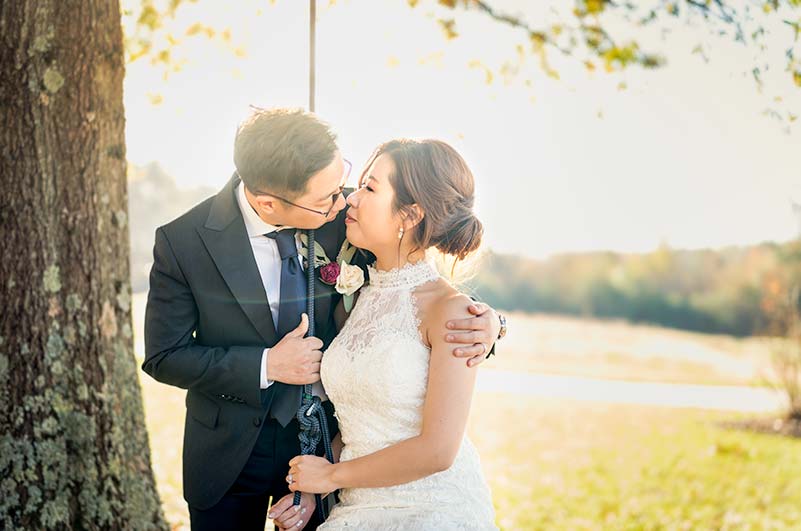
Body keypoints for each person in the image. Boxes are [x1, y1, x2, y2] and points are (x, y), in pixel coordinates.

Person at [142, 109, 504, 530]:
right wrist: (266, 366)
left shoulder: (352, 215)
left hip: (331, 455)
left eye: (346, 184)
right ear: (268, 203)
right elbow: (164, 355)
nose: (342, 201)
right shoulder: (184, 241)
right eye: (326, 200)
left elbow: (419, 277)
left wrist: (490, 323)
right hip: (228, 453)